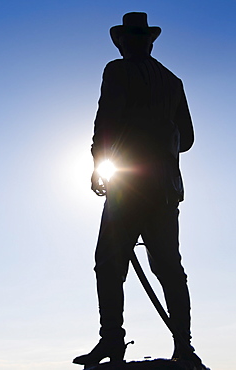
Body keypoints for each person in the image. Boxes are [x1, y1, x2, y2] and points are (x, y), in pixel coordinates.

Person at [73, 12, 196, 367]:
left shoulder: (117, 70)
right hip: (166, 187)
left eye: (128, 40)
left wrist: (100, 164)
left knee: (108, 264)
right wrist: (162, 135)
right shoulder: (173, 81)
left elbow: (106, 119)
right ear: (149, 41)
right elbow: (186, 139)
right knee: (169, 267)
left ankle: (112, 341)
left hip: (129, 184)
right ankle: (183, 345)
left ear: (128, 41)